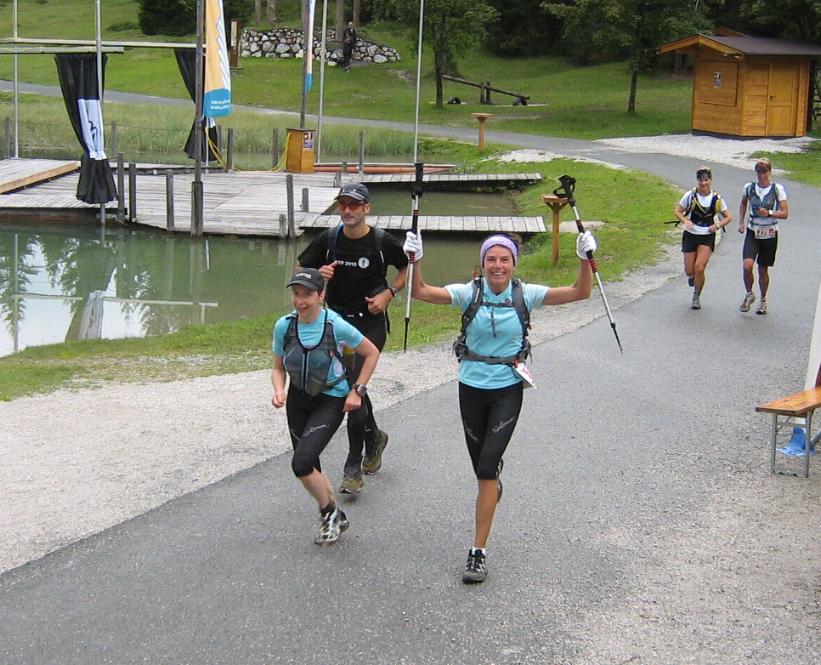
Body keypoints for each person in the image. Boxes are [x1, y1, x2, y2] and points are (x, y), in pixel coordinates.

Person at [402, 229, 597, 584]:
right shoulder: (469, 293)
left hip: (507, 389)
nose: (497, 265)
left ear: (513, 264)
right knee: (482, 470)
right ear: (482, 263)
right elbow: (421, 292)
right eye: (491, 259)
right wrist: (415, 259)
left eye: (504, 259)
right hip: (470, 388)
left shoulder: (525, 294)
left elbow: (579, 292)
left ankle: (477, 551)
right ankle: (492, 484)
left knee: (486, 469)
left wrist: (585, 260)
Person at [298, 182, 408, 495]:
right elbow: (300, 273)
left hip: (370, 324)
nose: (347, 210)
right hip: (337, 323)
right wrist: (318, 276)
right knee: (352, 386)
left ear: (366, 208)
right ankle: (374, 437)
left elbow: (407, 269)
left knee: (352, 386)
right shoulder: (329, 239)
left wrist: (389, 293)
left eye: (354, 205)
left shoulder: (382, 241)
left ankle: (352, 465)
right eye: (343, 204)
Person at [271, 268, 380, 545]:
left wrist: (357, 391)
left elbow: (371, 353)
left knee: (301, 463)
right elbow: (277, 367)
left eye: (307, 295)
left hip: (330, 398)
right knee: (310, 465)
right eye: (296, 294)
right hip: (298, 400)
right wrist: (278, 390)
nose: (300, 301)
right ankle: (334, 512)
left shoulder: (335, 325)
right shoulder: (284, 326)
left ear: (321, 295)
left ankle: (329, 514)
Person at [674, 166, 732, 310]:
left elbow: (728, 217)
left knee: (700, 267)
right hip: (690, 235)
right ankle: (692, 278)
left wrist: (717, 226)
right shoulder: (690, 196)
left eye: (706, 180)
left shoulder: (717, 198)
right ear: (697, 181)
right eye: (701, 180)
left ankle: (696, 296)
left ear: (710, 180)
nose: (703, 183)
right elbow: (678, 211)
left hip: (707, 236)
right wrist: (685, 221)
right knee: (689, 271)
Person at [738, 158, 788, 315]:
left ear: (770, 172)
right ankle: (749, 294)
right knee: (747, 265)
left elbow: (785, 213)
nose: (762, 175)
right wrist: (741, 222)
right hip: (753, 231)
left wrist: (770, 213)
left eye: (764, 172)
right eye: (759, 172)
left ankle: (763, 299)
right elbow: (743, 203)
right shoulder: (749, 187)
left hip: (769, 233)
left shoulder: (777, 189)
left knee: (762, 268)